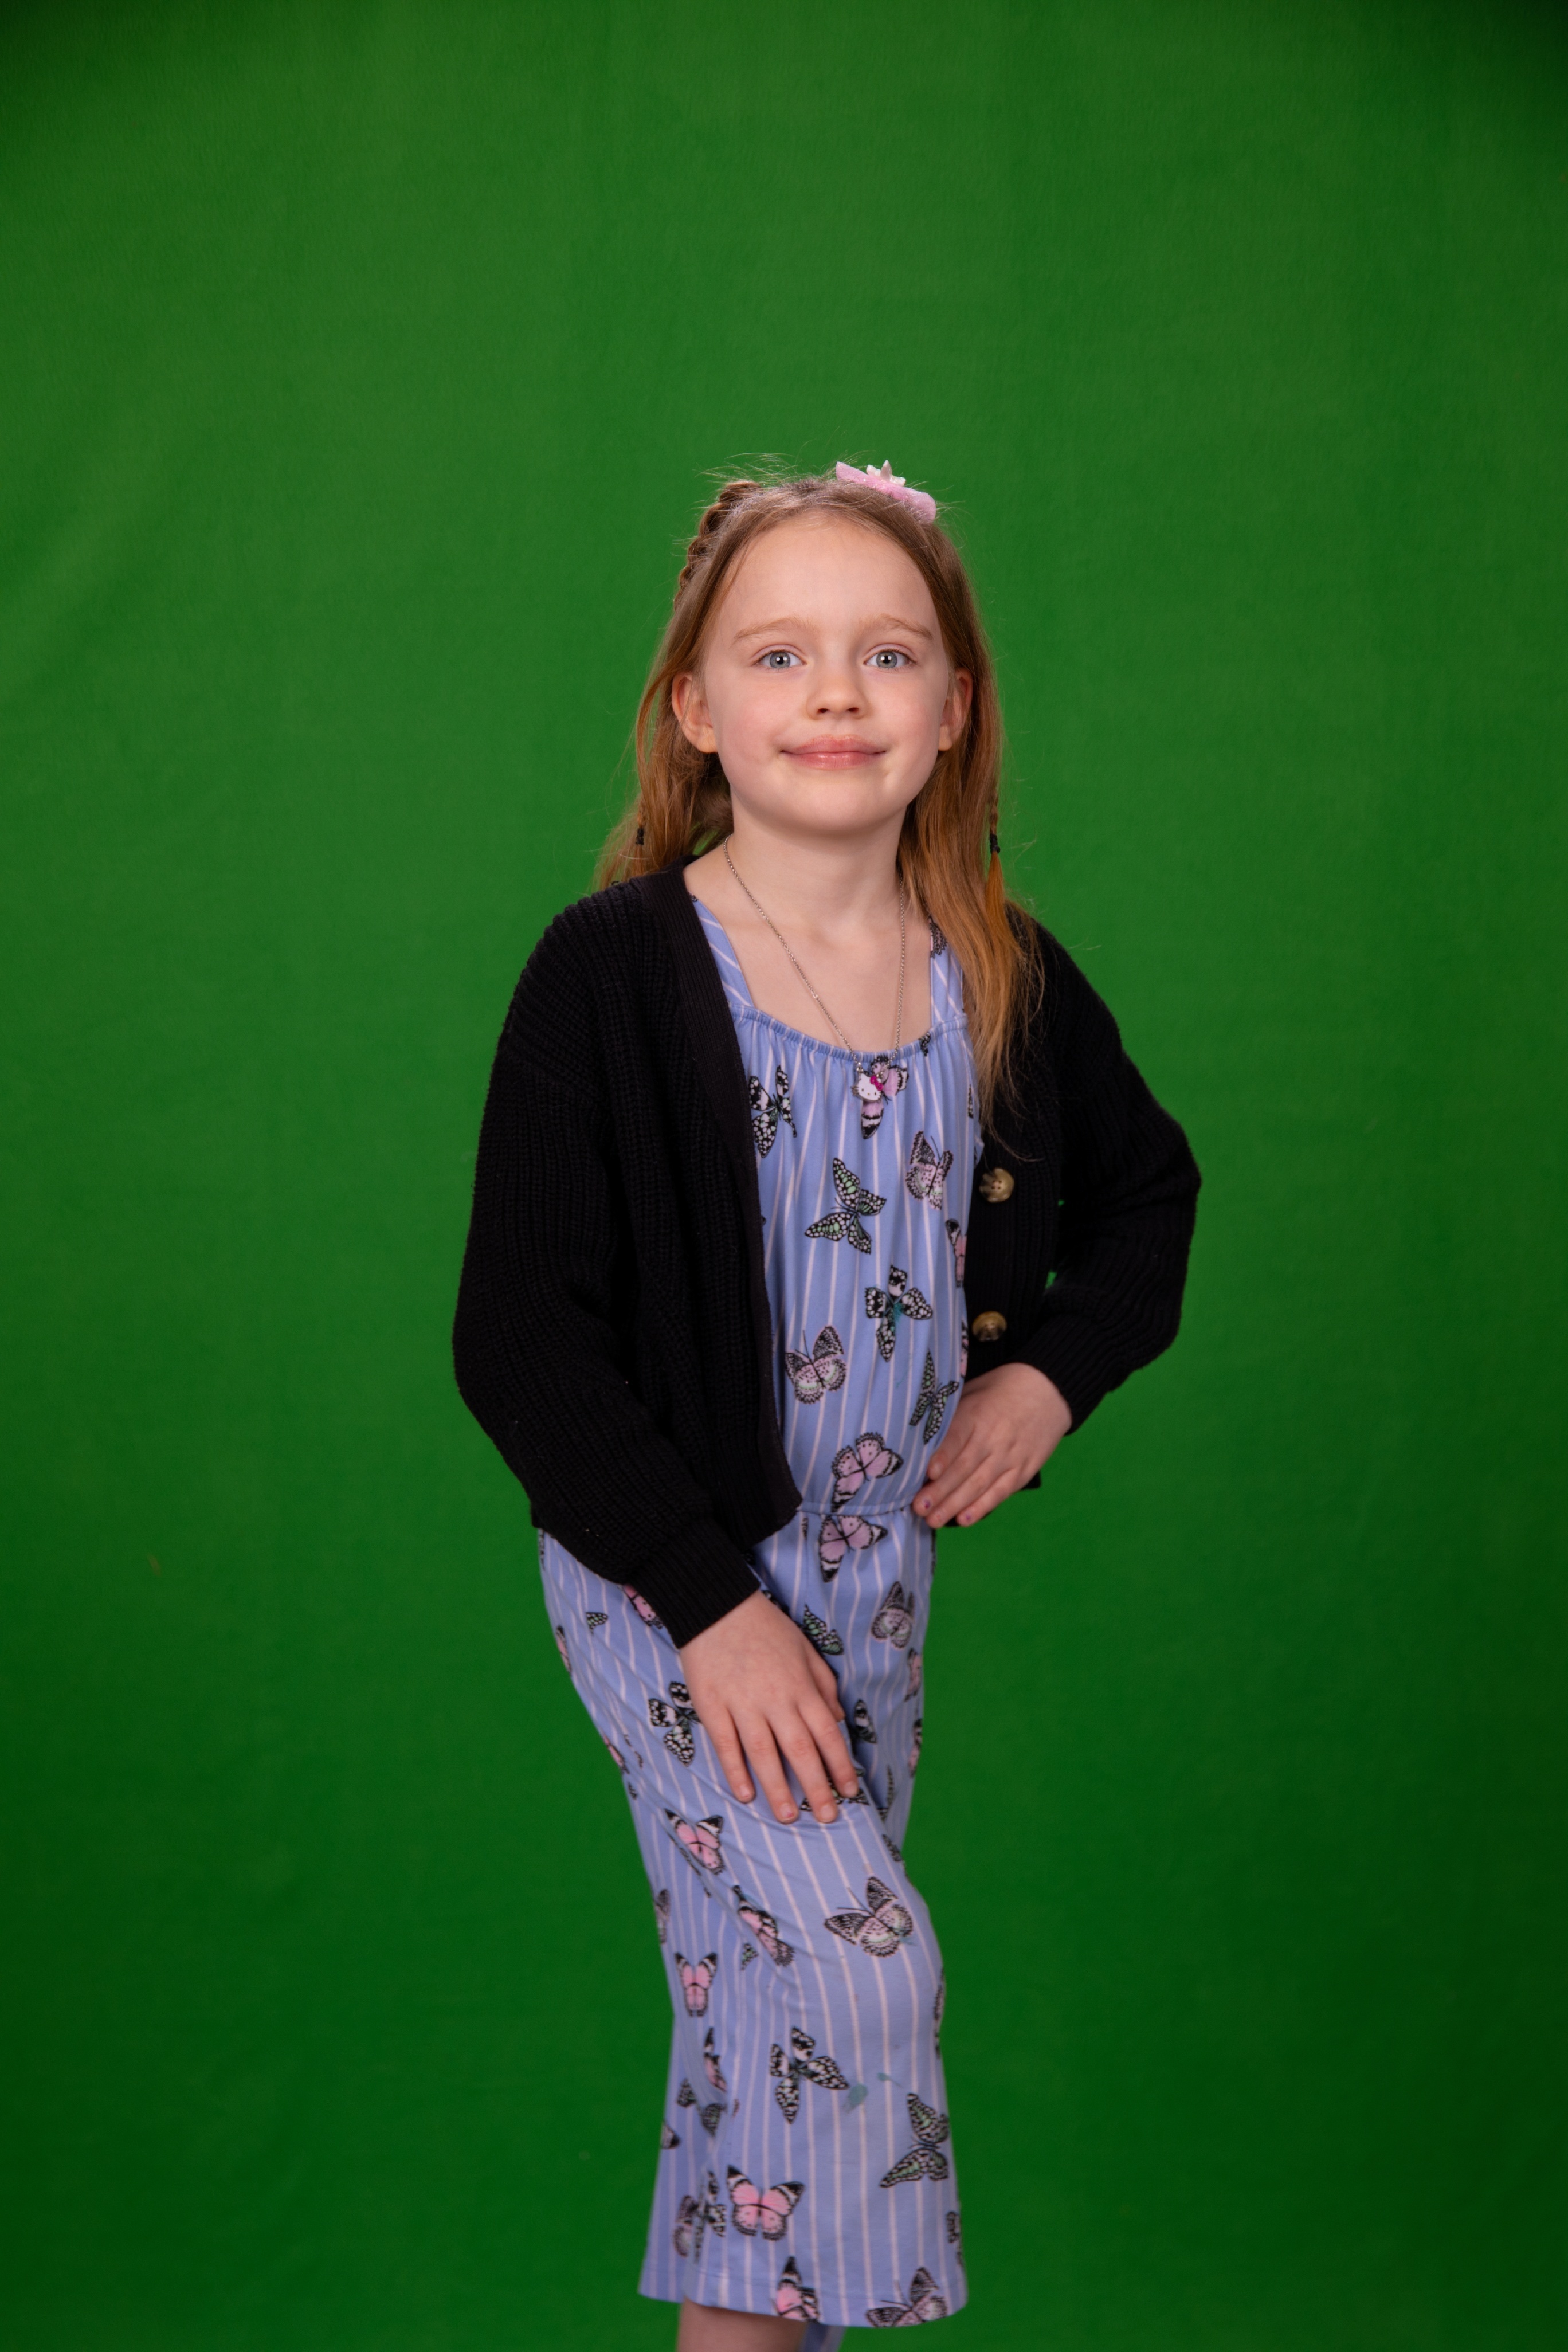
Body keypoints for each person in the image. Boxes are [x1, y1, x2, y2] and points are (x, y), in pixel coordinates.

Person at [452, 461, 1200, 2348]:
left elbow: (1150, 1195)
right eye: (780, 655)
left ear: (954, 709)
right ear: (696, 709)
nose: (838, 693)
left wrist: (1049, 1374)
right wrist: (710, 1607)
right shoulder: (614, 972)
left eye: (889, 654)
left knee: (769, 2054)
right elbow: (518, 1334)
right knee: (862, 1980)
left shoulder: (999, 972)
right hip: (671, 1582)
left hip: (874, 1585)